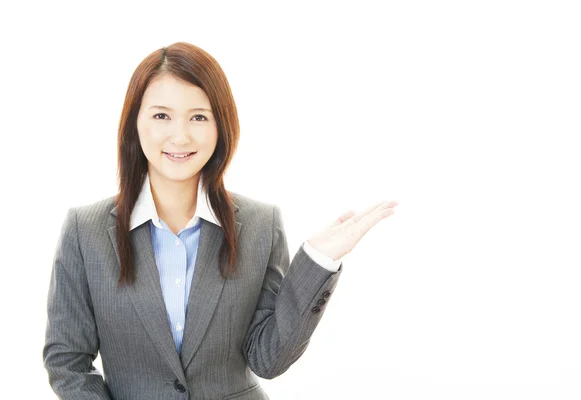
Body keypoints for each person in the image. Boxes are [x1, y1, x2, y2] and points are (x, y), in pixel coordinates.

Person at [42, 41, 398, 400]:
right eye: (161, 115)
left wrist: (317, 261)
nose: (180, 136)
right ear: (135, 122)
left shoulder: (261, 224)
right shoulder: (84, 230)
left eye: (199, 116)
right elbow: (67, 360)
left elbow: (268, 359)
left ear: (220, 126)